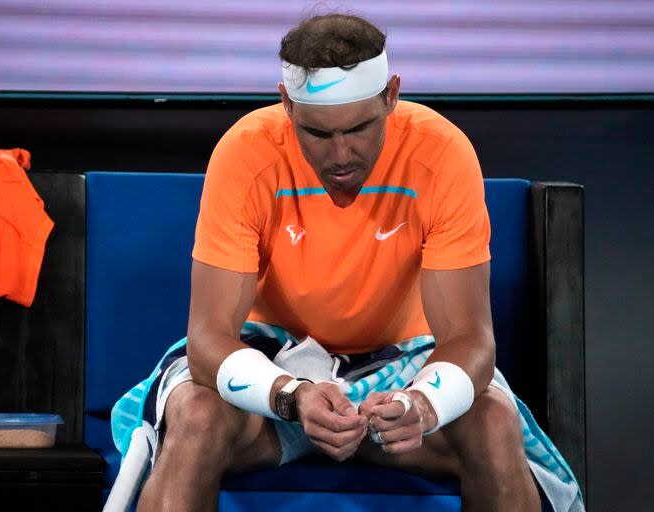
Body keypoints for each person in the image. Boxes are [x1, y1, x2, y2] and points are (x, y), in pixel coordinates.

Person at [112, 13, 583, 512]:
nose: (341, 155)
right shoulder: (245, 152)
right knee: (195, 415)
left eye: (360, 128)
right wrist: (291, 395)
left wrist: (421, 404)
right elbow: (208, 341)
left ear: (391, 95)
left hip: (403, 371)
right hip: (276, 370)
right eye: (317, 133)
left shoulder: (443, 153)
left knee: (493, 422)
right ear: (287, 104)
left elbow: (471, 340)